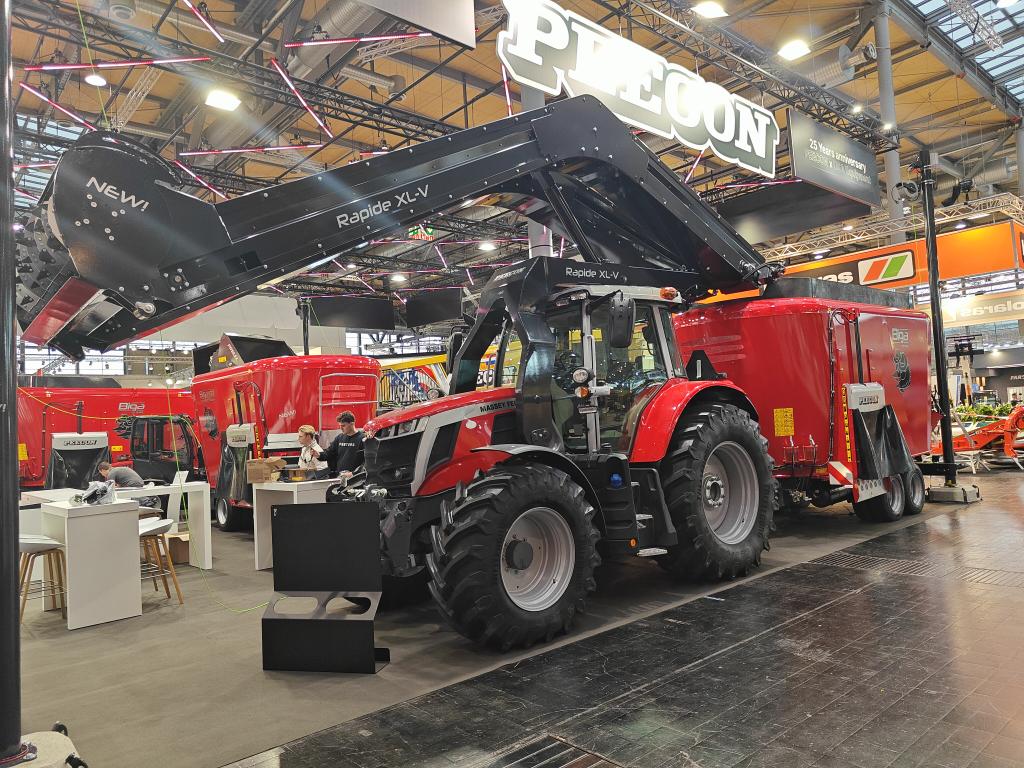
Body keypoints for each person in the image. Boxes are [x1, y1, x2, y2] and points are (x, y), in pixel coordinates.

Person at [324, 411, 364, 480]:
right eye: (340, 426)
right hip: (341, 477)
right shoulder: (339, 438)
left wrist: (353, 473)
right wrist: (318, 455)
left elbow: (367, 462)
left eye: (343, 426)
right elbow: (329, 453)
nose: (341, 428)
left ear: (352, 424)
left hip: (356, 479)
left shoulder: (362, 439)